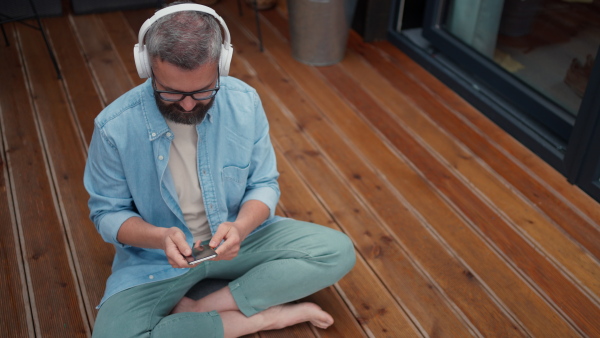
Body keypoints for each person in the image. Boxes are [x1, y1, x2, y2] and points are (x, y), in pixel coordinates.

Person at [83, 2, 356, 337]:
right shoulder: (114, 127)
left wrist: (240, 227)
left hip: (241, 240)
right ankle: (261, 318)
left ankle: (204, 306)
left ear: (221, 66)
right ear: (147, 67)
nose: (186, 104)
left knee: (336, 252)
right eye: (171, 91)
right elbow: (107, 212)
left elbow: (264, 184)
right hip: (157, 259)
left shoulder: (245, 102)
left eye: (202, 91)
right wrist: (159, 237)